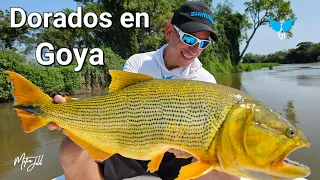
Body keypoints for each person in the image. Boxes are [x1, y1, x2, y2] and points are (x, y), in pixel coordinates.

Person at [49, 1, 240, 180]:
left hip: (175, 158)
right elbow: (114, 109)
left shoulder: (205, 81)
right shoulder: (138, 63)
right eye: (189, 39)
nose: (194, 49)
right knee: (70, 147)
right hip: (127, 145)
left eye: (203, 44)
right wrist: (72, 113)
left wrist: (195, 148)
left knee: (228, 166)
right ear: (169, 32)